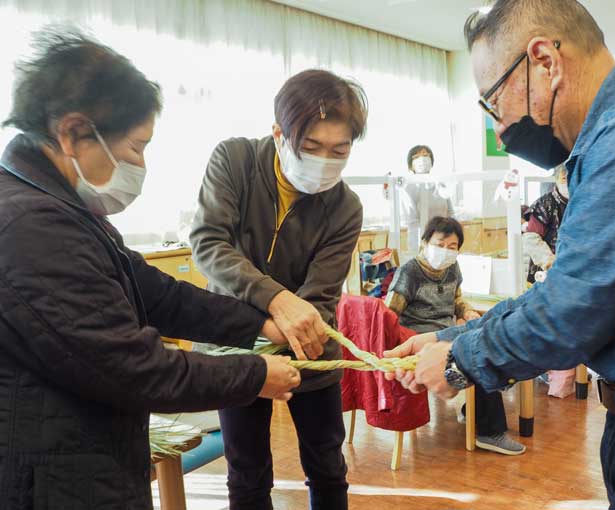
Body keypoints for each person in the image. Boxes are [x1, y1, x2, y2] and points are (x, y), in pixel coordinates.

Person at [385, 1, 615, 508]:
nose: (499, 132)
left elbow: (570, 314)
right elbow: (565, 291)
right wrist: (450, 336)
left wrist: (458, 361)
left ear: (545, 61)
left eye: (494, 103)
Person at [0, 30, 300, 510]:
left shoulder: (64, 209)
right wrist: (253, 373)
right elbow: (130, 368)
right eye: (136, 147)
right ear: (75, 133)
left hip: (89, 458)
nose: (141, 164)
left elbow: (156, 294)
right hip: (54, 479)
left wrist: (258, 322)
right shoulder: (30, 226)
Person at [190, 69, 366, 510]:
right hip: (234, 347)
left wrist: (291, 319)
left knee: (327, 466)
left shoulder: (345, 207)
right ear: (279, 134)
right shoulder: (235, 161)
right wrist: (276, 300)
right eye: (310, 148)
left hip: (310, 345)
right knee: (246, 472)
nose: (324, 160)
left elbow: (321, 296)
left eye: (339, 151)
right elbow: (210, 245)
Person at [386, 216, 525, 455]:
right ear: (425, 242)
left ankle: (474, 414)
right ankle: (489, 432)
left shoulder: (452, 268)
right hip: (421, 338)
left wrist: (467, 311)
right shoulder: (409, 272)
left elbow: (457, 299)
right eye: (440, 245)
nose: (445, 251)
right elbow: (389, 313)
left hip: (447, 331)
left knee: (482, 343)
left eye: (452, 248)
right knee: (477, 354)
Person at [401, 145, 454, 251]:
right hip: (421, 241)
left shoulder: (440, 183)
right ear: (411, 166)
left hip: (444, 238)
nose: (422, 159)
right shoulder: (408, 187)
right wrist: (421, 245)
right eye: (416, 157)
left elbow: (450, 213)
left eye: (425, 155)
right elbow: (412, 222)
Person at [523, 165, 569, 283]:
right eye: (563, 178)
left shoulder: (581, 203)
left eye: (570, 177)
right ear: (556, 178)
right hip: (546, 273)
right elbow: (531, 239)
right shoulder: (545, 203)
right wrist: (550, 262)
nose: (567, 180)